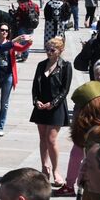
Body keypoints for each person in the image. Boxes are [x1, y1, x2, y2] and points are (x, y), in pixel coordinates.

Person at [30, 36, 72, 187]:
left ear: (60, 51)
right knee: (42, 137)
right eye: (47, 49)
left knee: (51, 139)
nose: (48, 52)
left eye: (52, 50)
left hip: (56, 106)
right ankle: (44, 168)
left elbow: (65, 90)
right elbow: (35, 86)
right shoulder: (41, 65)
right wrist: (36, 101)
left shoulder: (66, 66)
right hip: (41, 106)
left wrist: (52, 103)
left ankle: (56, 170)